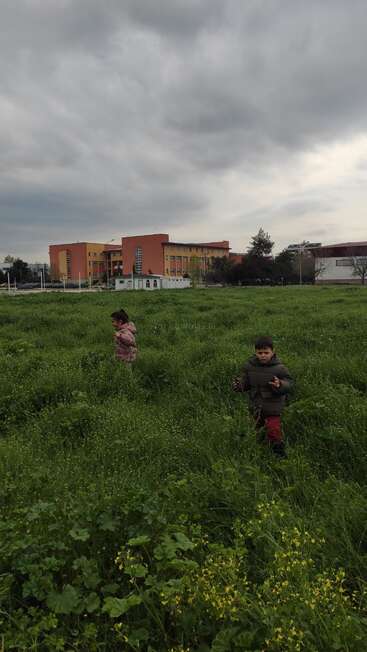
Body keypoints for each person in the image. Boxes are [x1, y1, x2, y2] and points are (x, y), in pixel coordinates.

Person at [232, 335, 293, 457]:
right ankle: (256, 446)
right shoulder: (250, 366)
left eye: (266, 352)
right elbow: (246, 383)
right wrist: (239, 385)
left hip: (273, 406)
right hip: (256, 404)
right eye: (260, 353)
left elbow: (289, 383)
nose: (263, 355)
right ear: (255, 352)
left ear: (273, 352)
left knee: (273, 429)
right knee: (255, 427)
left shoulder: (279, 368)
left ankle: (278, 451)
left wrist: (280, 384)